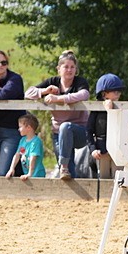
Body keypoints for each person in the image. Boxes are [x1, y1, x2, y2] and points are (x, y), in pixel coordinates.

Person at [26, 50, 90, 180]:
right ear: (58, 69)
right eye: (65, 67)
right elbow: (28, 93)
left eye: (72, 67)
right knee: (68, 174)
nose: (69, 70)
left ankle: (64, 166)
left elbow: (84, 94)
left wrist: (58, 99)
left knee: (66, 127)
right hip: (58, 135)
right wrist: (45, 91)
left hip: (80, 131)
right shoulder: (53, 82)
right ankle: (72, 194)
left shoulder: (79, 82)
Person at [87, 73, 125, 179]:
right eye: (115, 91)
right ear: (104, 94)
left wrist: (111, 111)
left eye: (119, 91)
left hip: (118, 149)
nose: (118, 94)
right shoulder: (96, 110)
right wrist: (93, 149)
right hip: (102, 150)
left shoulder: (122, 107)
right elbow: (89, 130)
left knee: (119, 178)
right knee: (103, 177)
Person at [6, 113, 46, 179]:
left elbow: (33, 158)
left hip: (37, 175)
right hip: (27, 174)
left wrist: (30, 174)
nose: (19, 129)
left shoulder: (36, 141)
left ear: (28, 128)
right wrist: (11, 169)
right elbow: (17, 155)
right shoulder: (22, 140)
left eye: (20, 127)